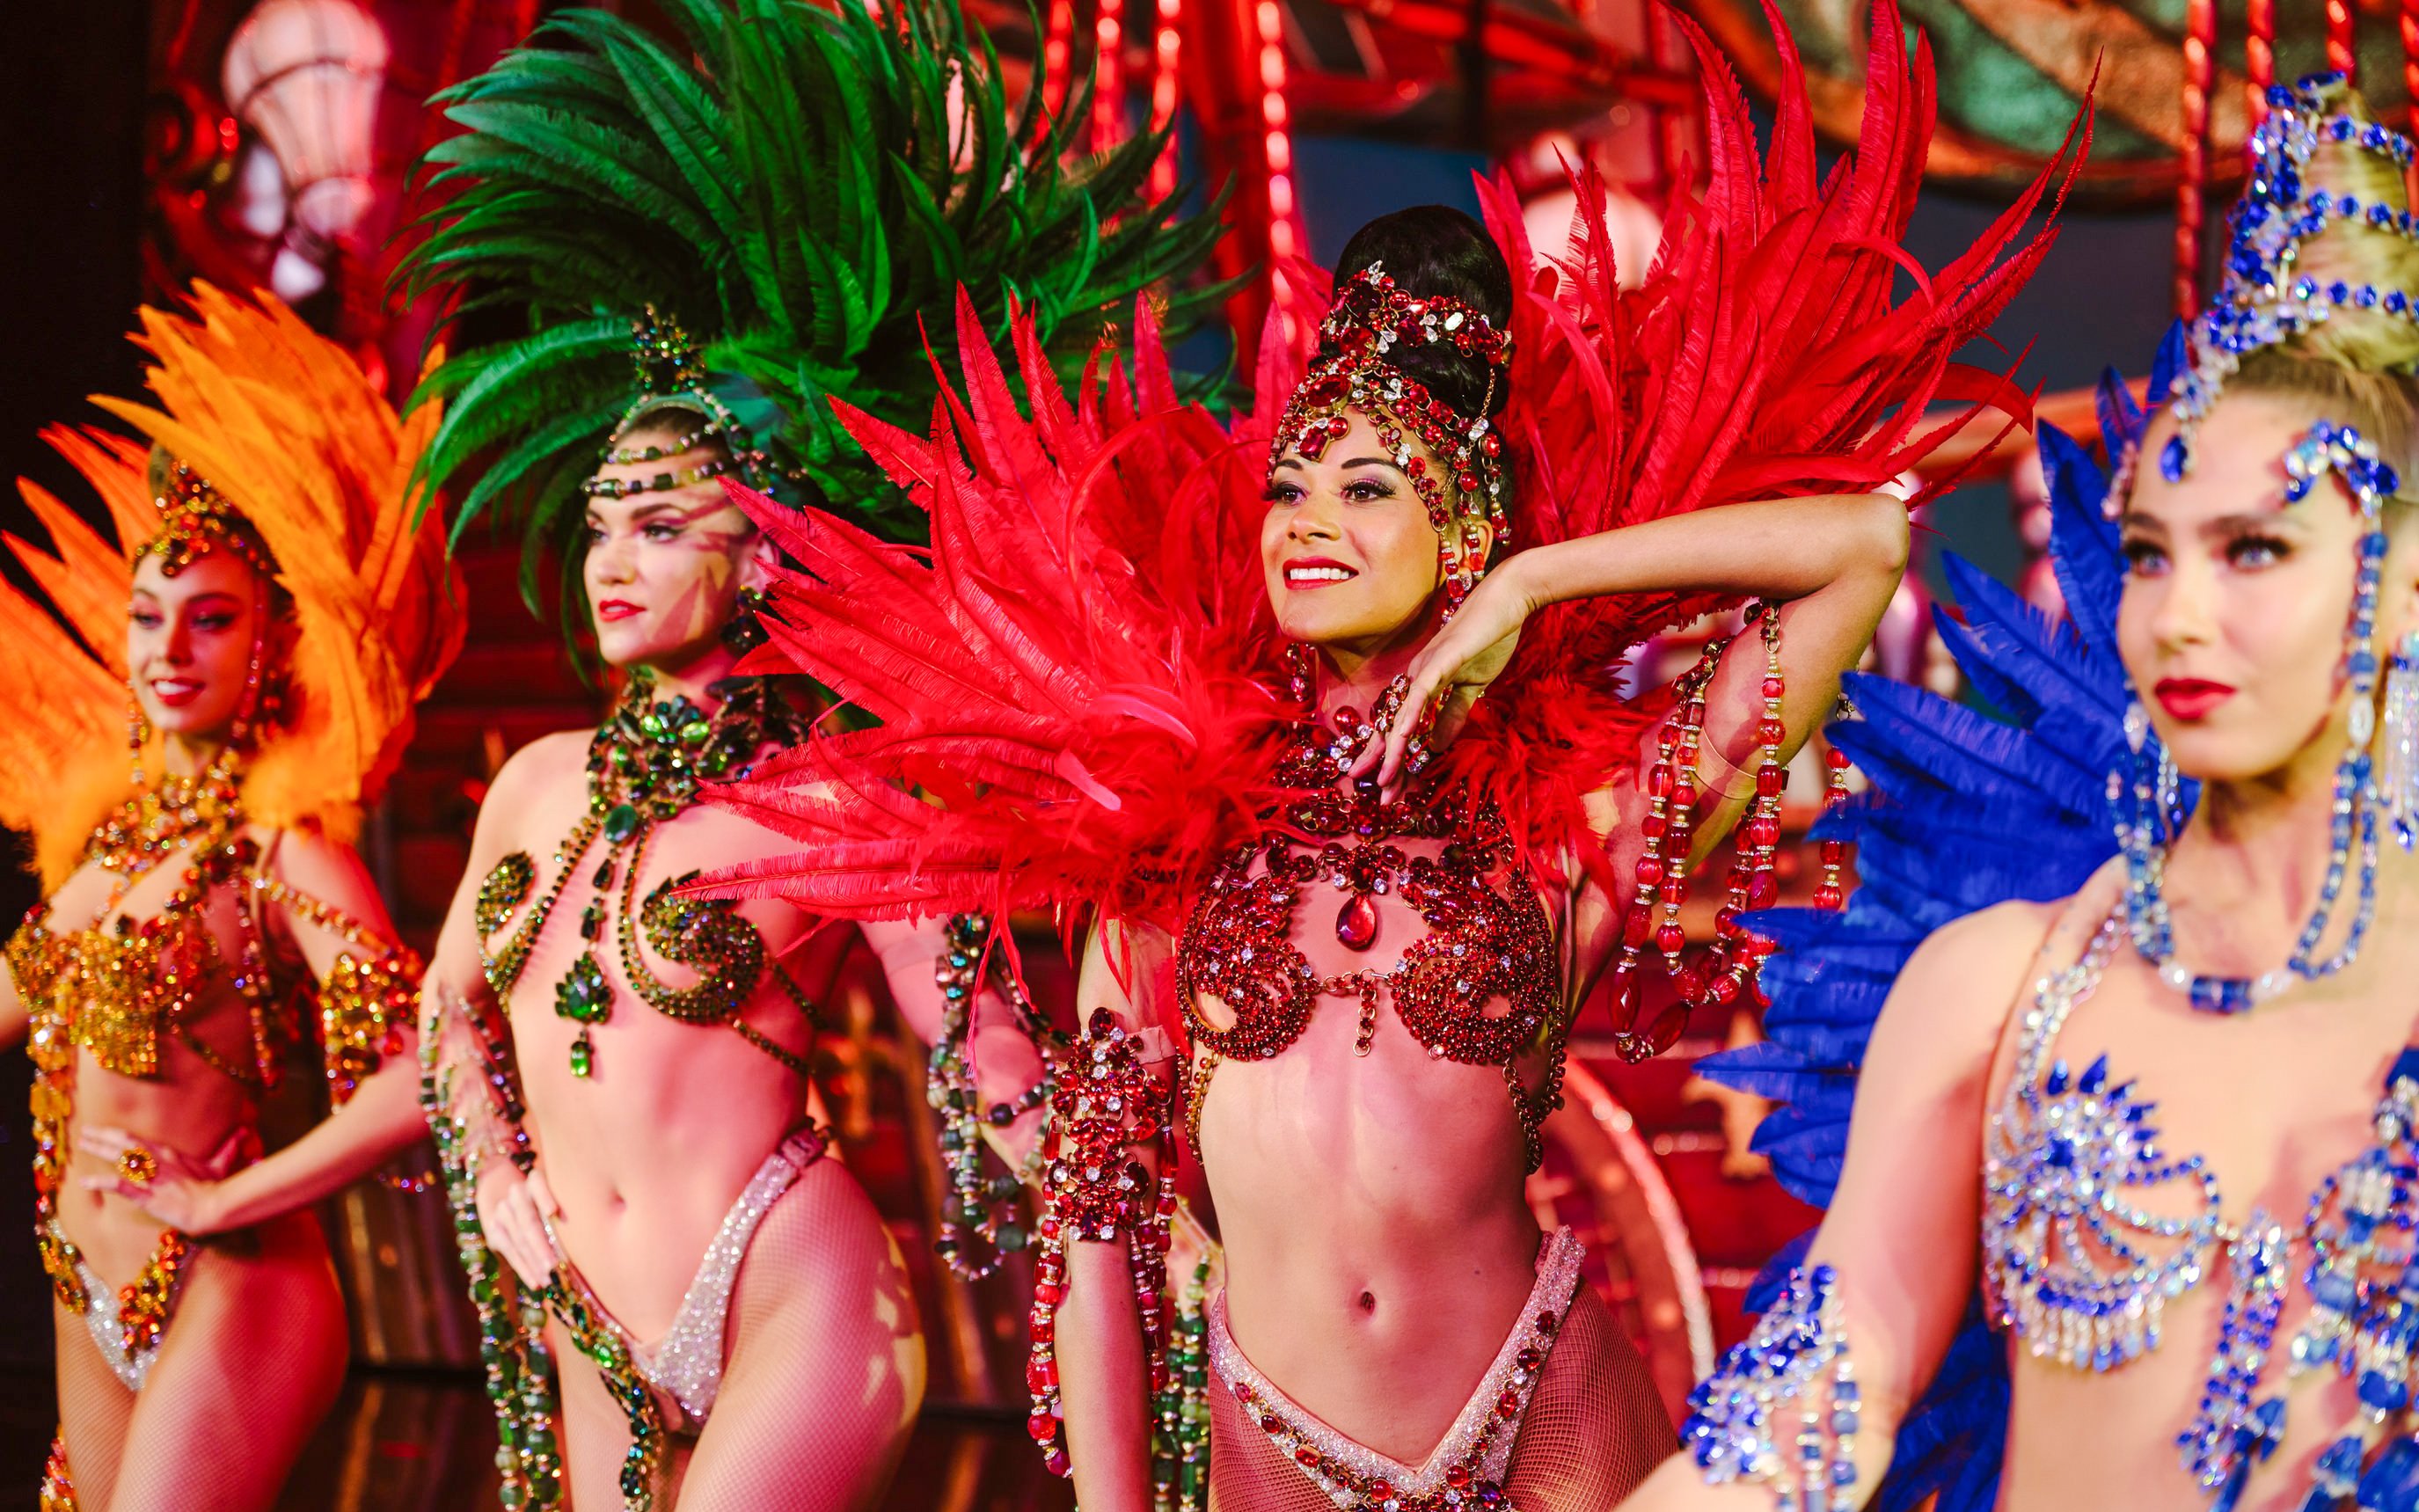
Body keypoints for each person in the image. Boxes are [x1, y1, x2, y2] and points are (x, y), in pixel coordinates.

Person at [686, 4, 2080, 1505]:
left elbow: (1860, 545)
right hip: (1265, 1443)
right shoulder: (1164, 832)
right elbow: (1093, 1231)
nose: (1307, 522)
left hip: (1544, 1415)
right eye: (1289, 486)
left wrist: (1540, 586)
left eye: (1367, 489)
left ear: (1464, 533)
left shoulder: (1579, 822)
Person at [396, 1, 1224, 1506]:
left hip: (790, 1287)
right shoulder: (532, 783)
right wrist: (497, 1178)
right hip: (579, 1308)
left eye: (661, 528)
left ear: (764, 562)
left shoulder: (843, 799)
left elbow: (984, 1065)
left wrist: (1132, 1211)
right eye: (599, 527)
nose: (612, 564)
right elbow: (445, 1017)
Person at [1640, 72, 2419, 1512]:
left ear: (2401, 587)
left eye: (2252, 551)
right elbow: (1816, 1410)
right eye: (2143, 552)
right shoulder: (2003, 984)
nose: (2175, 616)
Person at [0, 286, 464, 1512]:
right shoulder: (103, 857)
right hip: (82, 1278)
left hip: (235, 1284)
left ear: (272, 644)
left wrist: (227, 1199)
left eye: (211, 621)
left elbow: (421, 1079)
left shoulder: (285, 854)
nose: (171, 649)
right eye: (149, 618)